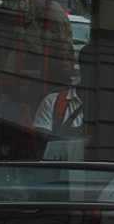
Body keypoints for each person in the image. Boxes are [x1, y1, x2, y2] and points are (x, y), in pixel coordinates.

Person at [34, 26, 85, 158]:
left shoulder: (106, 108)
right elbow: (43, 144)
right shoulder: (51, 101)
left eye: (68, 59)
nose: (64, 63)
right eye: (59, 58)